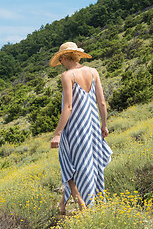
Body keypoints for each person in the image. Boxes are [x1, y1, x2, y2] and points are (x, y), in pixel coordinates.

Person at [49, 42, 113, 215]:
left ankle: (82, 204)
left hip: (75, 129)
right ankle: (65, 204)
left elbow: (68, 107)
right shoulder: (93, 72)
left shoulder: (67, 75)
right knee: (88, 164)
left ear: (63, 58)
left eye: (60, 59)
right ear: (77, 55)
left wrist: (57, 134)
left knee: (68, 164)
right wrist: (104, 124)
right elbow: (102, 102)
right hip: (92, 127)